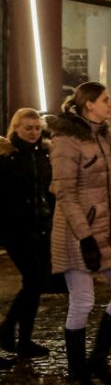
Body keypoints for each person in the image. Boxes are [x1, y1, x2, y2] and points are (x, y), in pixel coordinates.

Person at [49, 82, 111, 385]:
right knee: (83, 301)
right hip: (76, 232)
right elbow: (65, 192)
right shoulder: (65, 140)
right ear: (88, 105)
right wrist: (85, 237)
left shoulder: (102, 134)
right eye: (105, 100)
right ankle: (77, 373)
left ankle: (98, 359)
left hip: (107, 228)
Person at [0, 109, 55, 361]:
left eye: (36, 128)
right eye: (28, 128)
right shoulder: (7, 156)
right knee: (34, 279)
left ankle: (22, 340)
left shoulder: (44, 154)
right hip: (16, 229)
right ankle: (8, 331)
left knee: (36, 282)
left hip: (41, 225)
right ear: (16, 129)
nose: (33, 133)